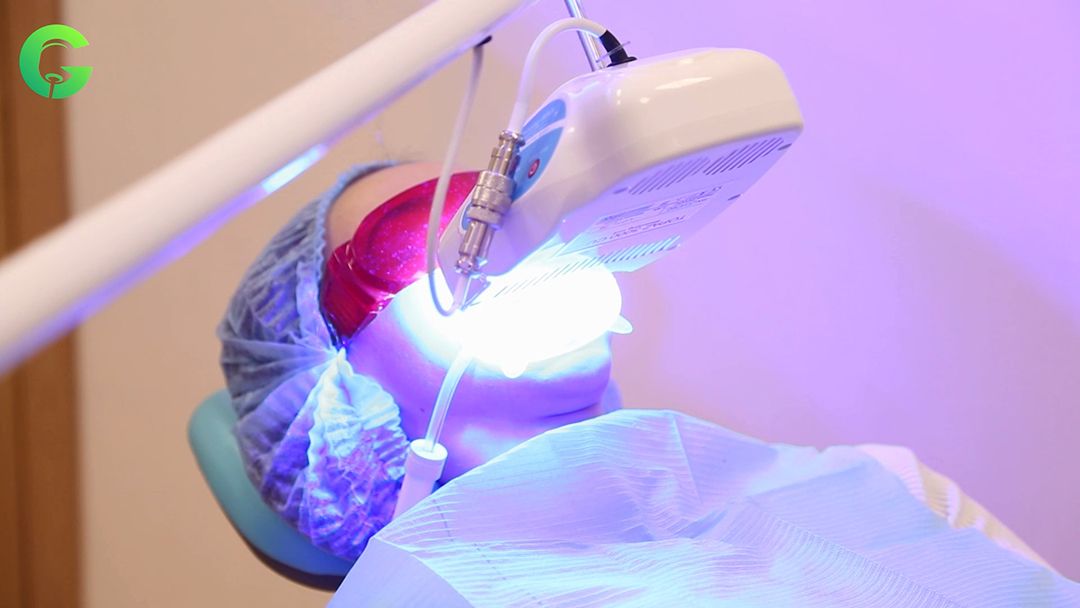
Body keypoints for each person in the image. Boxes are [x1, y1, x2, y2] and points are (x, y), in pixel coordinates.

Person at [218, 161, 1067, 593]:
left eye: (522, 205)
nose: (532, 250)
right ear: (337, 400)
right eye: (439, 238)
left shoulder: (880, 486)